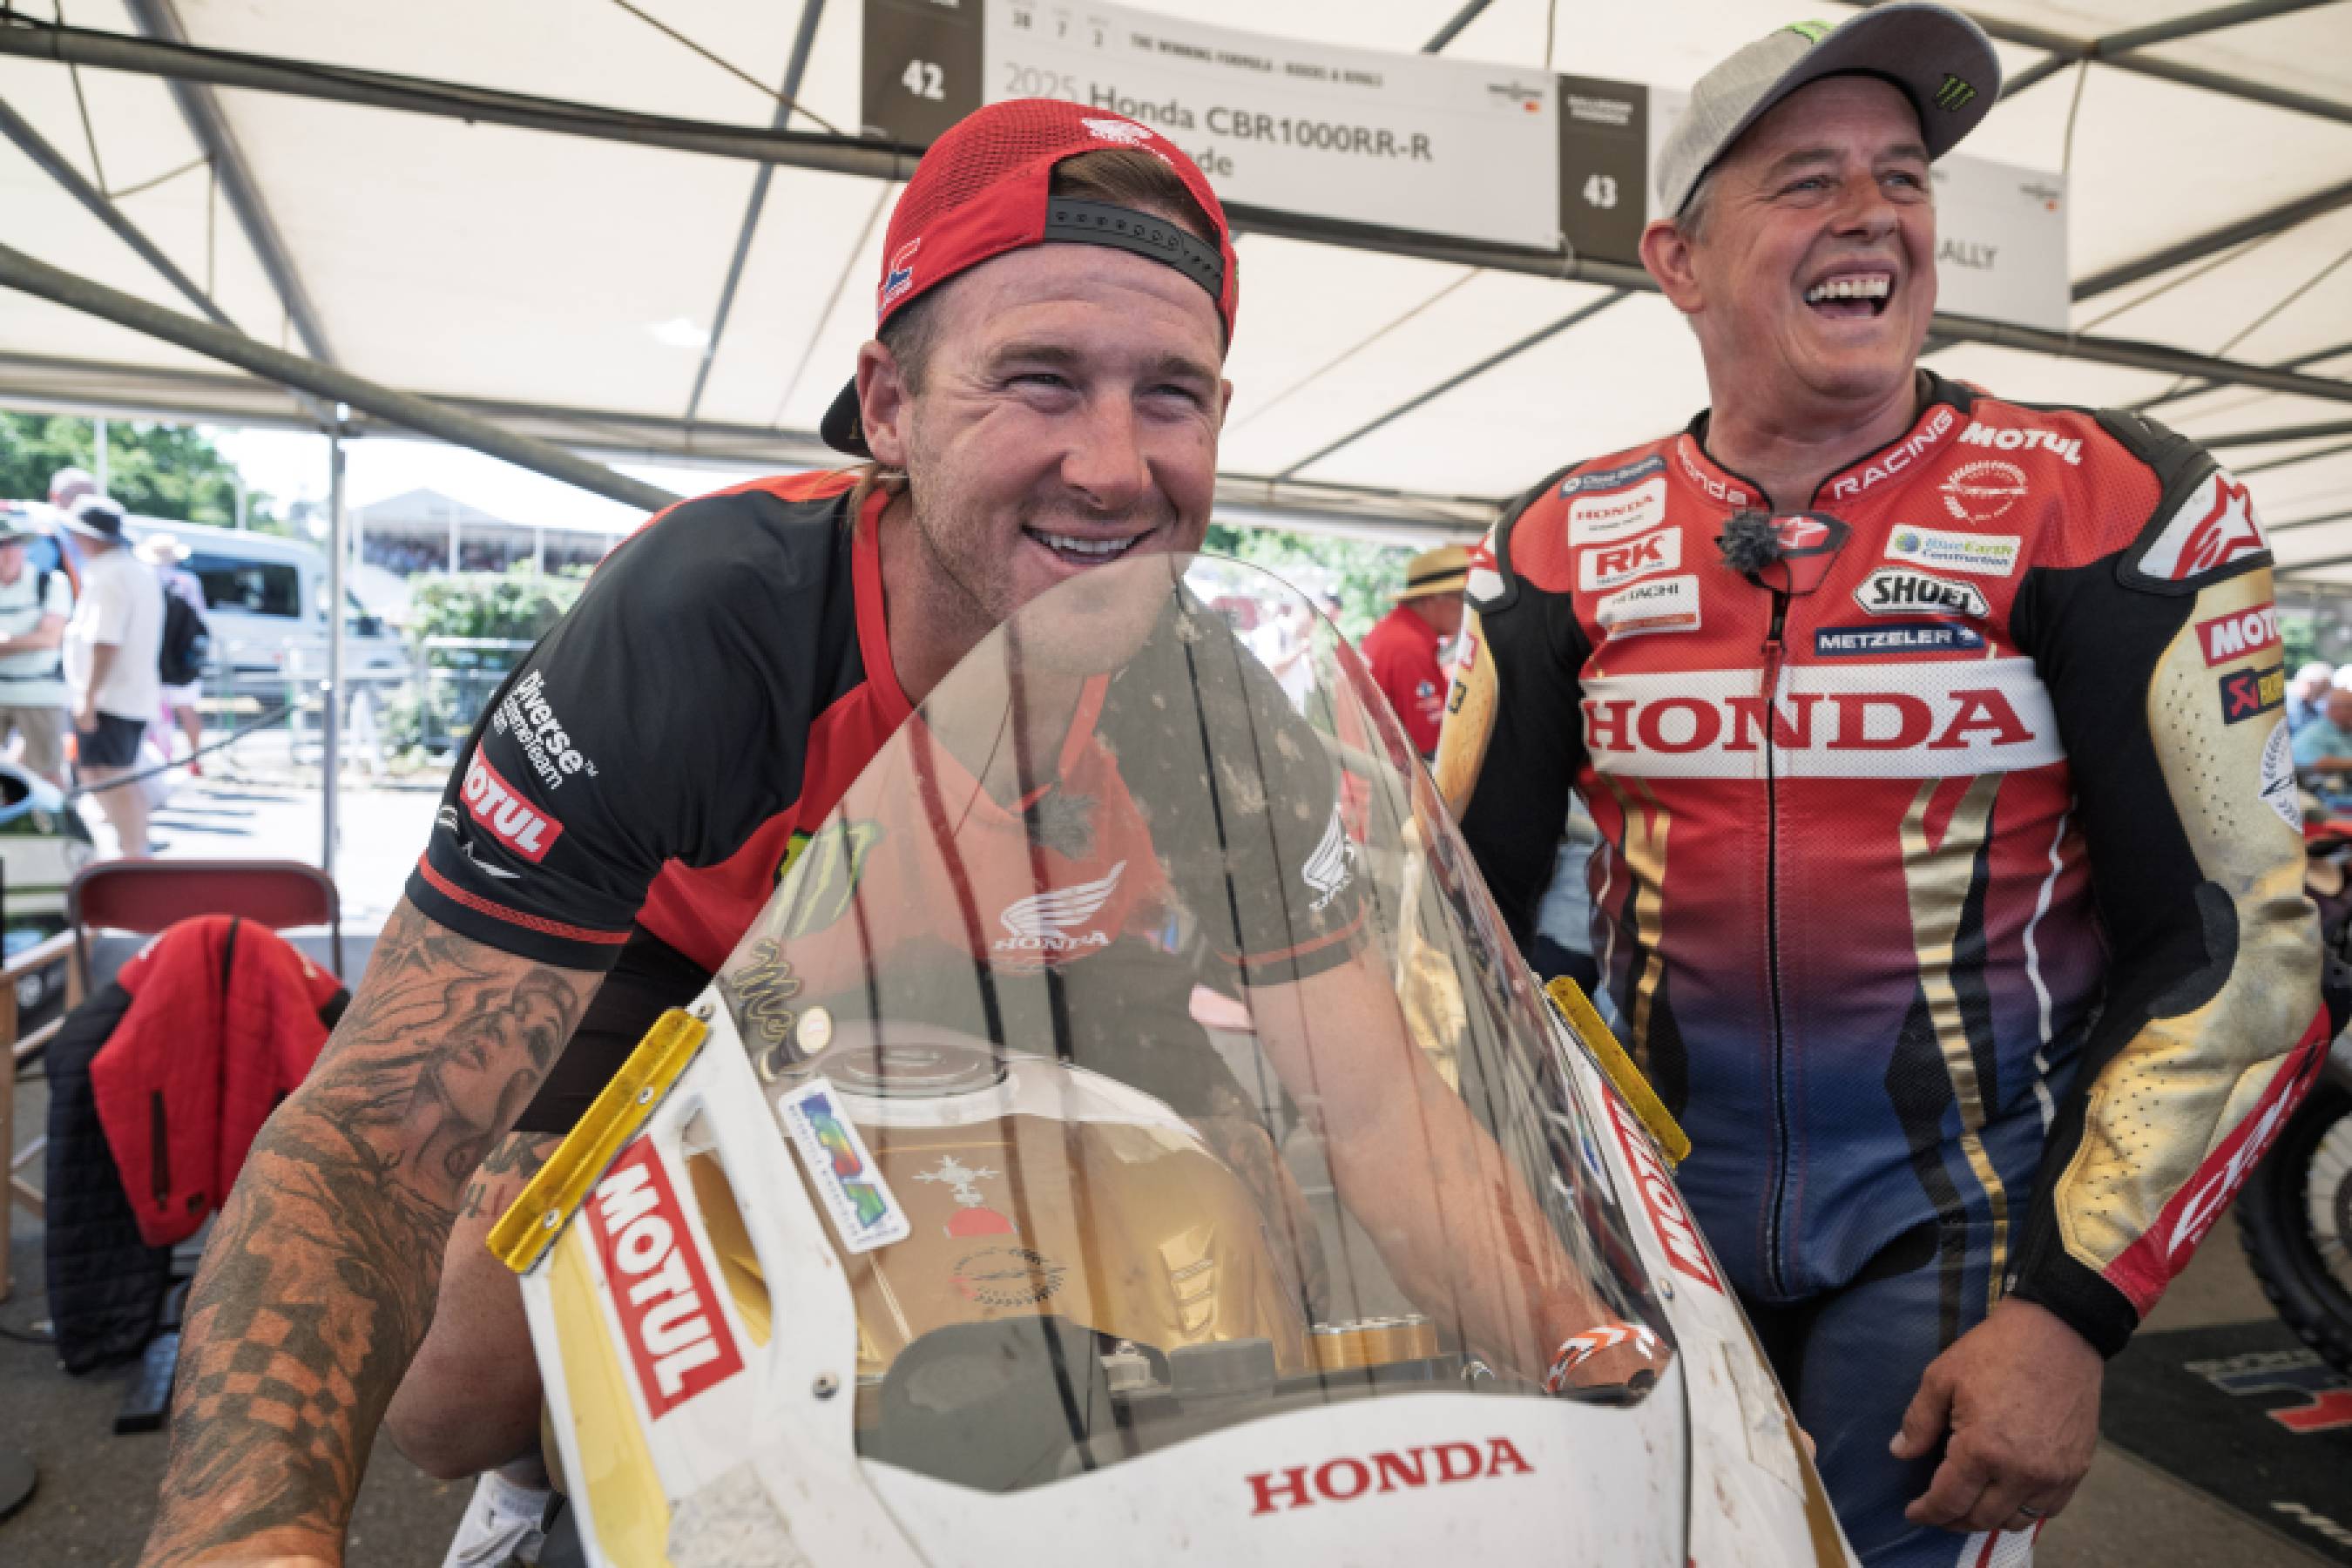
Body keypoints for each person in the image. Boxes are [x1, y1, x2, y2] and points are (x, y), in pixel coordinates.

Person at [141, 100, 1647, 1568]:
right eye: (1041, 381)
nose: (1115, 467)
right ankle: (554, 1488)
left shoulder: (1213, 703)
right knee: (455, 1390)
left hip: (1034, 980)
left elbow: (1377, 1106)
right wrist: (241, 1534)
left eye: (1170, 396)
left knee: (1236, 1225)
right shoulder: (706, 622)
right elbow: (370, 1140)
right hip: (699, 979)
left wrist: (1601, 1365)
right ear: (888, 406)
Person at [1434, 9, 2334, 1564]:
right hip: (1651, 1232)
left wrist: (2074, 1310)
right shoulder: (1556, 540)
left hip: (1965, 1240)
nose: (1872, 214)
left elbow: (2239, 945)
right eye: (1807, 180)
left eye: (1902, 177)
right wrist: (1496, 1219)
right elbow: (1448, 931)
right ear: (1678, 260)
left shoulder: (2109, 499)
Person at [60, 497, 163, 858]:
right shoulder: (133, 570)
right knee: (110, 774)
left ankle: (134, 854)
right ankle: (134, 850)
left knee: (108, 776)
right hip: (126, 694)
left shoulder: (108, 575)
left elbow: (105, 641)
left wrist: (88, 698)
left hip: (110, 698)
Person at [1361, 544, 1469, 759]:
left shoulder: (1390, 631)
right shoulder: (1409, 648)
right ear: (1430, 598)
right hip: (1393, 773)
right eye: (1462, 598)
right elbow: (1429, 747)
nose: (1468, 609)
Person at [0, 515, 73, 787]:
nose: (7, 553)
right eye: (2, 546)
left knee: (47, 773)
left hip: (40, 693)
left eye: (13, 544)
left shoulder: (51, 583)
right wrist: (23, 641)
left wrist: (6, 643)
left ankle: (56, 816)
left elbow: (49, 639)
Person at [137, 533, 207, 773]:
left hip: (153, 656)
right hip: (184, 659)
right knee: (187, 709)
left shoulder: (146, 579)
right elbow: (200, 618)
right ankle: (195, 759)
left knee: (154, 712)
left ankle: (159, 761)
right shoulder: (189, 582)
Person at [2294, 685, 2352, 809]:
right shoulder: (2313, 734)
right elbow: (2318, 765)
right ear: (2333, 709)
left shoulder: (2345, 730)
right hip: (2331, 801)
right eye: (2350, 707)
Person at [2288, 661, 2334, 732]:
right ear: (2309, 684)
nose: (2323, 696)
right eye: (2322, 690)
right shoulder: (2290, 707)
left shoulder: (2309, 706)